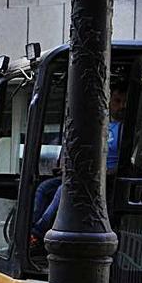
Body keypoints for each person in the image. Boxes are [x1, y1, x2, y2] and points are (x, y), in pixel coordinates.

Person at [31, 86, 126, 241]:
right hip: (83, 172)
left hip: (105, 179)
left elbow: (126, 163)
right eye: (117, 101)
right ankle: (31, 223)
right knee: (44, 187)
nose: (121, 106)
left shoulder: (124, 130)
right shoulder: (99, 125)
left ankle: (38, 231)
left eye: (124, 102)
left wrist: (108, 172)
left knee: (64, 189)